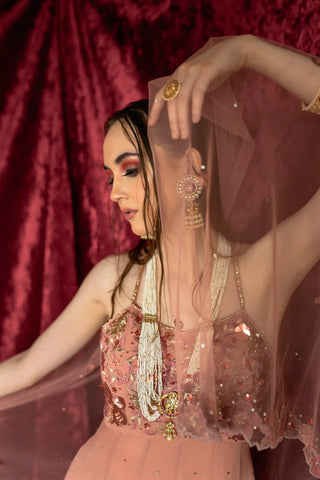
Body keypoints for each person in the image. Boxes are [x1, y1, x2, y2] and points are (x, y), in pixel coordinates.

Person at [0, 34, 319, 479]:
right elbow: (24, 368)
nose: (113, 193)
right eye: (109, 177)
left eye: (129, 169)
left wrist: (245, 51)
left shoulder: (261, 272)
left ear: (188, 166)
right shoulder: (116, 280)